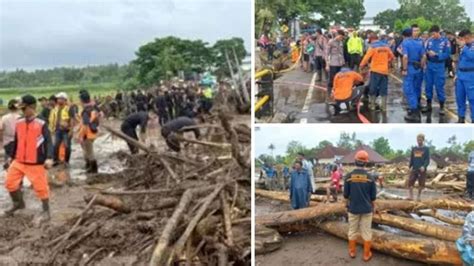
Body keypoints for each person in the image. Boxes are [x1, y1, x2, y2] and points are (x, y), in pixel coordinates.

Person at [3, 94, 53, 222]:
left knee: (41, 188)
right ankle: (18, 203)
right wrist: (11, 157)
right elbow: (16, 140)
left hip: (35, 162)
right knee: (10, 183)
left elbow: (48, 141)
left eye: (24, 108)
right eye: (21, 109)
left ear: (32, 107)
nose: (22, 111)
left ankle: (46, 210)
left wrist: (49, 157)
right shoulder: (19, 122)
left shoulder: (41, 122)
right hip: (19, 160)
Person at [344, 150, 376, 261]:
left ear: (355, 161)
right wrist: (374, 207)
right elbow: (373, 197)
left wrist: (346, 206)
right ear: (366, 163)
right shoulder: (370, 178)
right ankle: (366, 254)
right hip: (367, 209)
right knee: (366, 231)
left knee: (352, 230)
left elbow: (346, 195)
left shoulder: (348, 177)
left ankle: (352, 252)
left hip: (353, 208)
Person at [360, 33, 395, 112]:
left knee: (373, 87)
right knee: (383, 88)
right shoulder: (386, 46)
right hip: (384, 71)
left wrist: (361, 65)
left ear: (371, 39)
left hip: (375, 70)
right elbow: (392, 57)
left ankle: (372, 105)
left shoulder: (372, 47)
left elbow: (366, 58)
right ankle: (384, 107)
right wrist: (386, 61)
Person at [423, 25, 451, 115]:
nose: (433, 36)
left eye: (434, 34)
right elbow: (424, 50)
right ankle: (428, 105)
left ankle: (442, 106)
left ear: (438, 32)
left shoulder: (445, 41)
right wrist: (427, 54)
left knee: (439, 86)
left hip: (439, 66)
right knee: (428, 85)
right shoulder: (429, 41)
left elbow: (447, 54)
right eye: (431, 34)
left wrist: (437, 55)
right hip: (430, 65)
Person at [401, 28, 426, 122]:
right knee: (417, 88)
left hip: (410, 67)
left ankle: (414, 112)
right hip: (418, 68)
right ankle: (417, 107)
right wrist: (421, 66)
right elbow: (424, 56)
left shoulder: (406, 43)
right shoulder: (420, 43)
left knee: (409, 90)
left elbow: (405, 57)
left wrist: (404, 69)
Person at [78, 90, 100, 173]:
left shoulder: (85, 111)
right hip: (93, 132)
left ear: (81, 100)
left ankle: (94, 170)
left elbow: (85, 125)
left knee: (90, 153)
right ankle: (89, 167)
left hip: (87, 134)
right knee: (88, 151)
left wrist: (80, 136)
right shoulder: (92, 108)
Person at [455, 29, 474, 123]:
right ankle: (461, 118)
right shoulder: (464, 47)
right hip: (461, 75)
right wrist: (456, 74)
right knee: (460, 98)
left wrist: (464, 48)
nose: (460, 41)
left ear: (467, 37)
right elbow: (460, 61)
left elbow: (472, 56)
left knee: (472, 98)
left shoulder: (470, 47)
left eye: (462, 39)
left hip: (471, 75)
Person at [49, 92, 73, 164]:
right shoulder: (55, 109)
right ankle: (56, 160)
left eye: (60, 99)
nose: (59, 100)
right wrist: (52, 129)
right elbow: (52, 119)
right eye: (58, 99)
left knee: (67, 146)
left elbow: (72, 119)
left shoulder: (68, 109)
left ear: (64, 100)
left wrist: (71, 130)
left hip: (66, 130)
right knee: (56, 145)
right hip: (57, 130)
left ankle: (66, 161)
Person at [408, 134, 430, 201]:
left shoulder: (426, 149)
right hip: (414, 168)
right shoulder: (414, 148)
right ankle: (411, 196)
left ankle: (418, 197)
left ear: (423, 140)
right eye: (418, 140)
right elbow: (412, 158)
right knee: (410, 182)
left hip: (422, 170)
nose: (419, 141)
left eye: (420, 140)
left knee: (421, 184)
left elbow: (427, 159)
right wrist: (410, 166)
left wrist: (424, 166)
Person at [0, 99, 21, 169]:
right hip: (18, 141)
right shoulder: (20, 118)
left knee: (8, 157)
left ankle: (8, 171)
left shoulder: (4, 118)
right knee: (17, 159)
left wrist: (1, 140)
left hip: (7, 142)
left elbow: (1, 130)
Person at [326, 30, 346, 101]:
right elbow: (327, 54)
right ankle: (329, 93)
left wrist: (343, 62)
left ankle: (337, 92)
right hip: (333, 63)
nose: (341, 38)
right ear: (337, 35)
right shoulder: (331, 42)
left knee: (339, 79)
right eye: (340, 37)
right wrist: (327, 64)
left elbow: (342, 53)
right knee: (332, 79)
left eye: (342, 37)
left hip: (340, 63)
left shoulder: (341, 42)